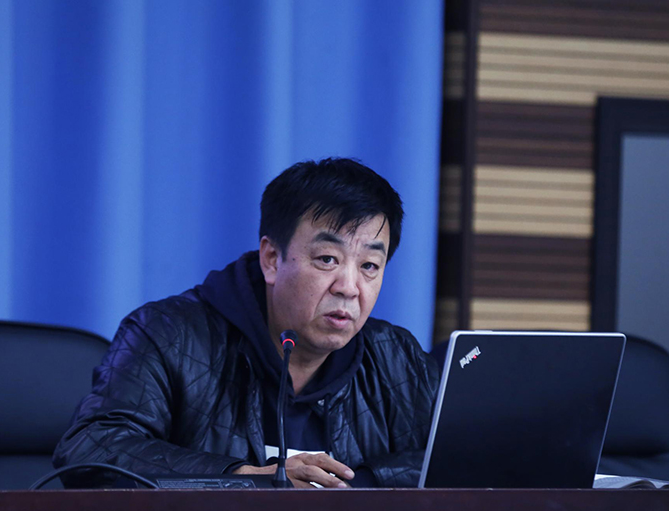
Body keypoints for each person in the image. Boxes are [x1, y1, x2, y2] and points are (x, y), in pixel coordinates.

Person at [53, 158, 440, 488]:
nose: (349, 287)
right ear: (271, 259)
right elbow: (90, 448)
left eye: (369, 266)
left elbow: (456, 460)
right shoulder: (167, 335)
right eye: (327, 259)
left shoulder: (396, 358)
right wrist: (246, 478)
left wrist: (353, 487)